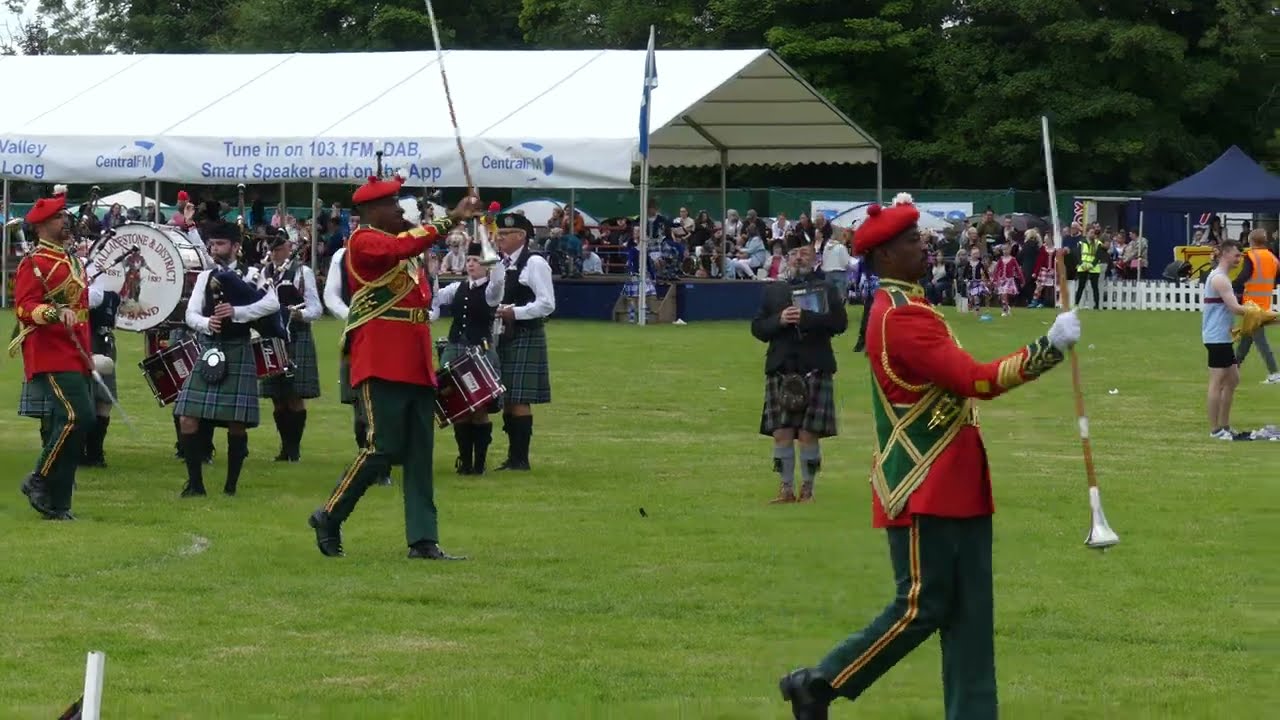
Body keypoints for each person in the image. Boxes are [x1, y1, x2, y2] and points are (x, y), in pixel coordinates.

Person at [778, 199, 1081, 719]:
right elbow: (975, 380)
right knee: (921, 606)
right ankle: (822, 681)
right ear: (887, 255)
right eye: (915, 241)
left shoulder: (911, 307)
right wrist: (1045, 349)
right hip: (925, 481)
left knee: (969, 617)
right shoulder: (900, 319)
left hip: (956, 477)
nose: (925, 246)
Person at [308, 173, 481, 560]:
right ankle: (329, 514)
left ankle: (423, 539)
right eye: (393, 205)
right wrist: (452, 216)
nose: (400, 210)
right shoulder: (364, 241)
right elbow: (405, 245)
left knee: (420, 453)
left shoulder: (401, 249)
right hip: (381, 359)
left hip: (415, 362)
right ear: (372, 211)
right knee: (381, 448)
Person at [173, 222, 281, 497]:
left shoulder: (253, 274)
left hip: (238, 346)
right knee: (186, 417)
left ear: (235, 246)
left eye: (220, 244)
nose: (214, 249)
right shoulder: (204, 276)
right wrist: (208, 323)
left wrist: (236, 312)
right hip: (209, 347)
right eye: (212, 244)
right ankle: (195, 483)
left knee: (236, 422)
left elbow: (272, 304)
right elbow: (190, 315)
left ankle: (231, 485)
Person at [9, 187, 95, 520]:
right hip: (51, 351)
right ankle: (39, 477)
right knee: (78, 416)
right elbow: (23, 309)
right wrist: (53, 313)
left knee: (67, 422)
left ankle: (58, 503)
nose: (65, 221)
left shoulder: (68, 258)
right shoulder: (34, 264)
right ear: (42, 224)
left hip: (76, 348)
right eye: (59, 217)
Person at [751, 238, 848, 504]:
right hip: (781, 367)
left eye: (804, 254)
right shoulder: (774, 292)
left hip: (814, 366)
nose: (798, 258)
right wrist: (779, 320)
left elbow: (840, 324)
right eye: (794, 254)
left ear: (815, 259)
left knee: (808, 434)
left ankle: (808, 488)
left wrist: (807, 319)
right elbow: (758, 328)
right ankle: (785, 488)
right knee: (781, 432)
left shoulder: (826, 289)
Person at [430, 240, 506, 474]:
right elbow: (434, 298)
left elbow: (499, 280)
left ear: (487, 266)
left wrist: (492, 253)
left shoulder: (492, 291)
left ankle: (479, 463)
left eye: (476, 261)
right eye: (470, 260)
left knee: (479, 408)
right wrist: (432, 275)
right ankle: (464, 461)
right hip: (455, 348)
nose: (471, 264)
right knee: (458, 407)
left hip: (480, 351)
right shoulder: (457, 288)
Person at [323, 232, 392, 487]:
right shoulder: (342, 256)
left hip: (390, 335)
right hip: (357, 336)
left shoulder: (397, 248)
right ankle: (367, 460)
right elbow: (331, 296)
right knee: (360, 405)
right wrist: (356, 317)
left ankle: (382, 465)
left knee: (386, 402)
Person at [493, 212, 556, 471]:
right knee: (507, 396)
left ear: (521, 236)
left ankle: (520, 459)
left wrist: (514, 312)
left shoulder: (535, 263)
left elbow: (547, 304)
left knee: (518, 398)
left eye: (506, 234)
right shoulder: (500, 263)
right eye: (499, 234)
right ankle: (513, 457)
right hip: (503, 334)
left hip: (525, 333)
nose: (500, 238)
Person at [259, 233, 323, 461]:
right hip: (271, 336)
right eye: (272, 248)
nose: (276, 252)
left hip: (297, 334)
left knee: (295, 395)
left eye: (280, 248)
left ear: (289, 248)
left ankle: (293, 448)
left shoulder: (302, 273)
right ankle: (285, 447)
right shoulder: (263, 273)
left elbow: (316, 309)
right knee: (277, 396)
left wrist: (298, 313)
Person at [1203, 241, 1253, 440]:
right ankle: (1216, 430)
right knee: (1217, 381)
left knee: (1233, 379)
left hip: (1222, 336)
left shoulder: (1223, 278)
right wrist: (1263, 314)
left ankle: (1224, 425)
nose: (1239, 259)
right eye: (1236, 255)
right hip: (1216, 337)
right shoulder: (1220, 279)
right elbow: (1235, 308)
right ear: (1224, 254)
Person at [81, 243, 122, 467]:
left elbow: (98, 299)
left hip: (104, 342)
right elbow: (91, 299)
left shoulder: (107, 281)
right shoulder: (80, 268)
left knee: (104, 398)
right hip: (83, 338)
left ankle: (95, 453)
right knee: (82, 397)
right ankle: (79, 450)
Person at [1232, 229, 1280, 384]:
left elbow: (1243, 277)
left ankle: (1274, 373)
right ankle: (1234, 368)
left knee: (1260, 340)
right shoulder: (1273, 258)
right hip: (1264, 304)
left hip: (1251, 305)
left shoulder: (1251, 256)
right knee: (1247, 337)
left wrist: (1229, 286)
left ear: (1250, 240)